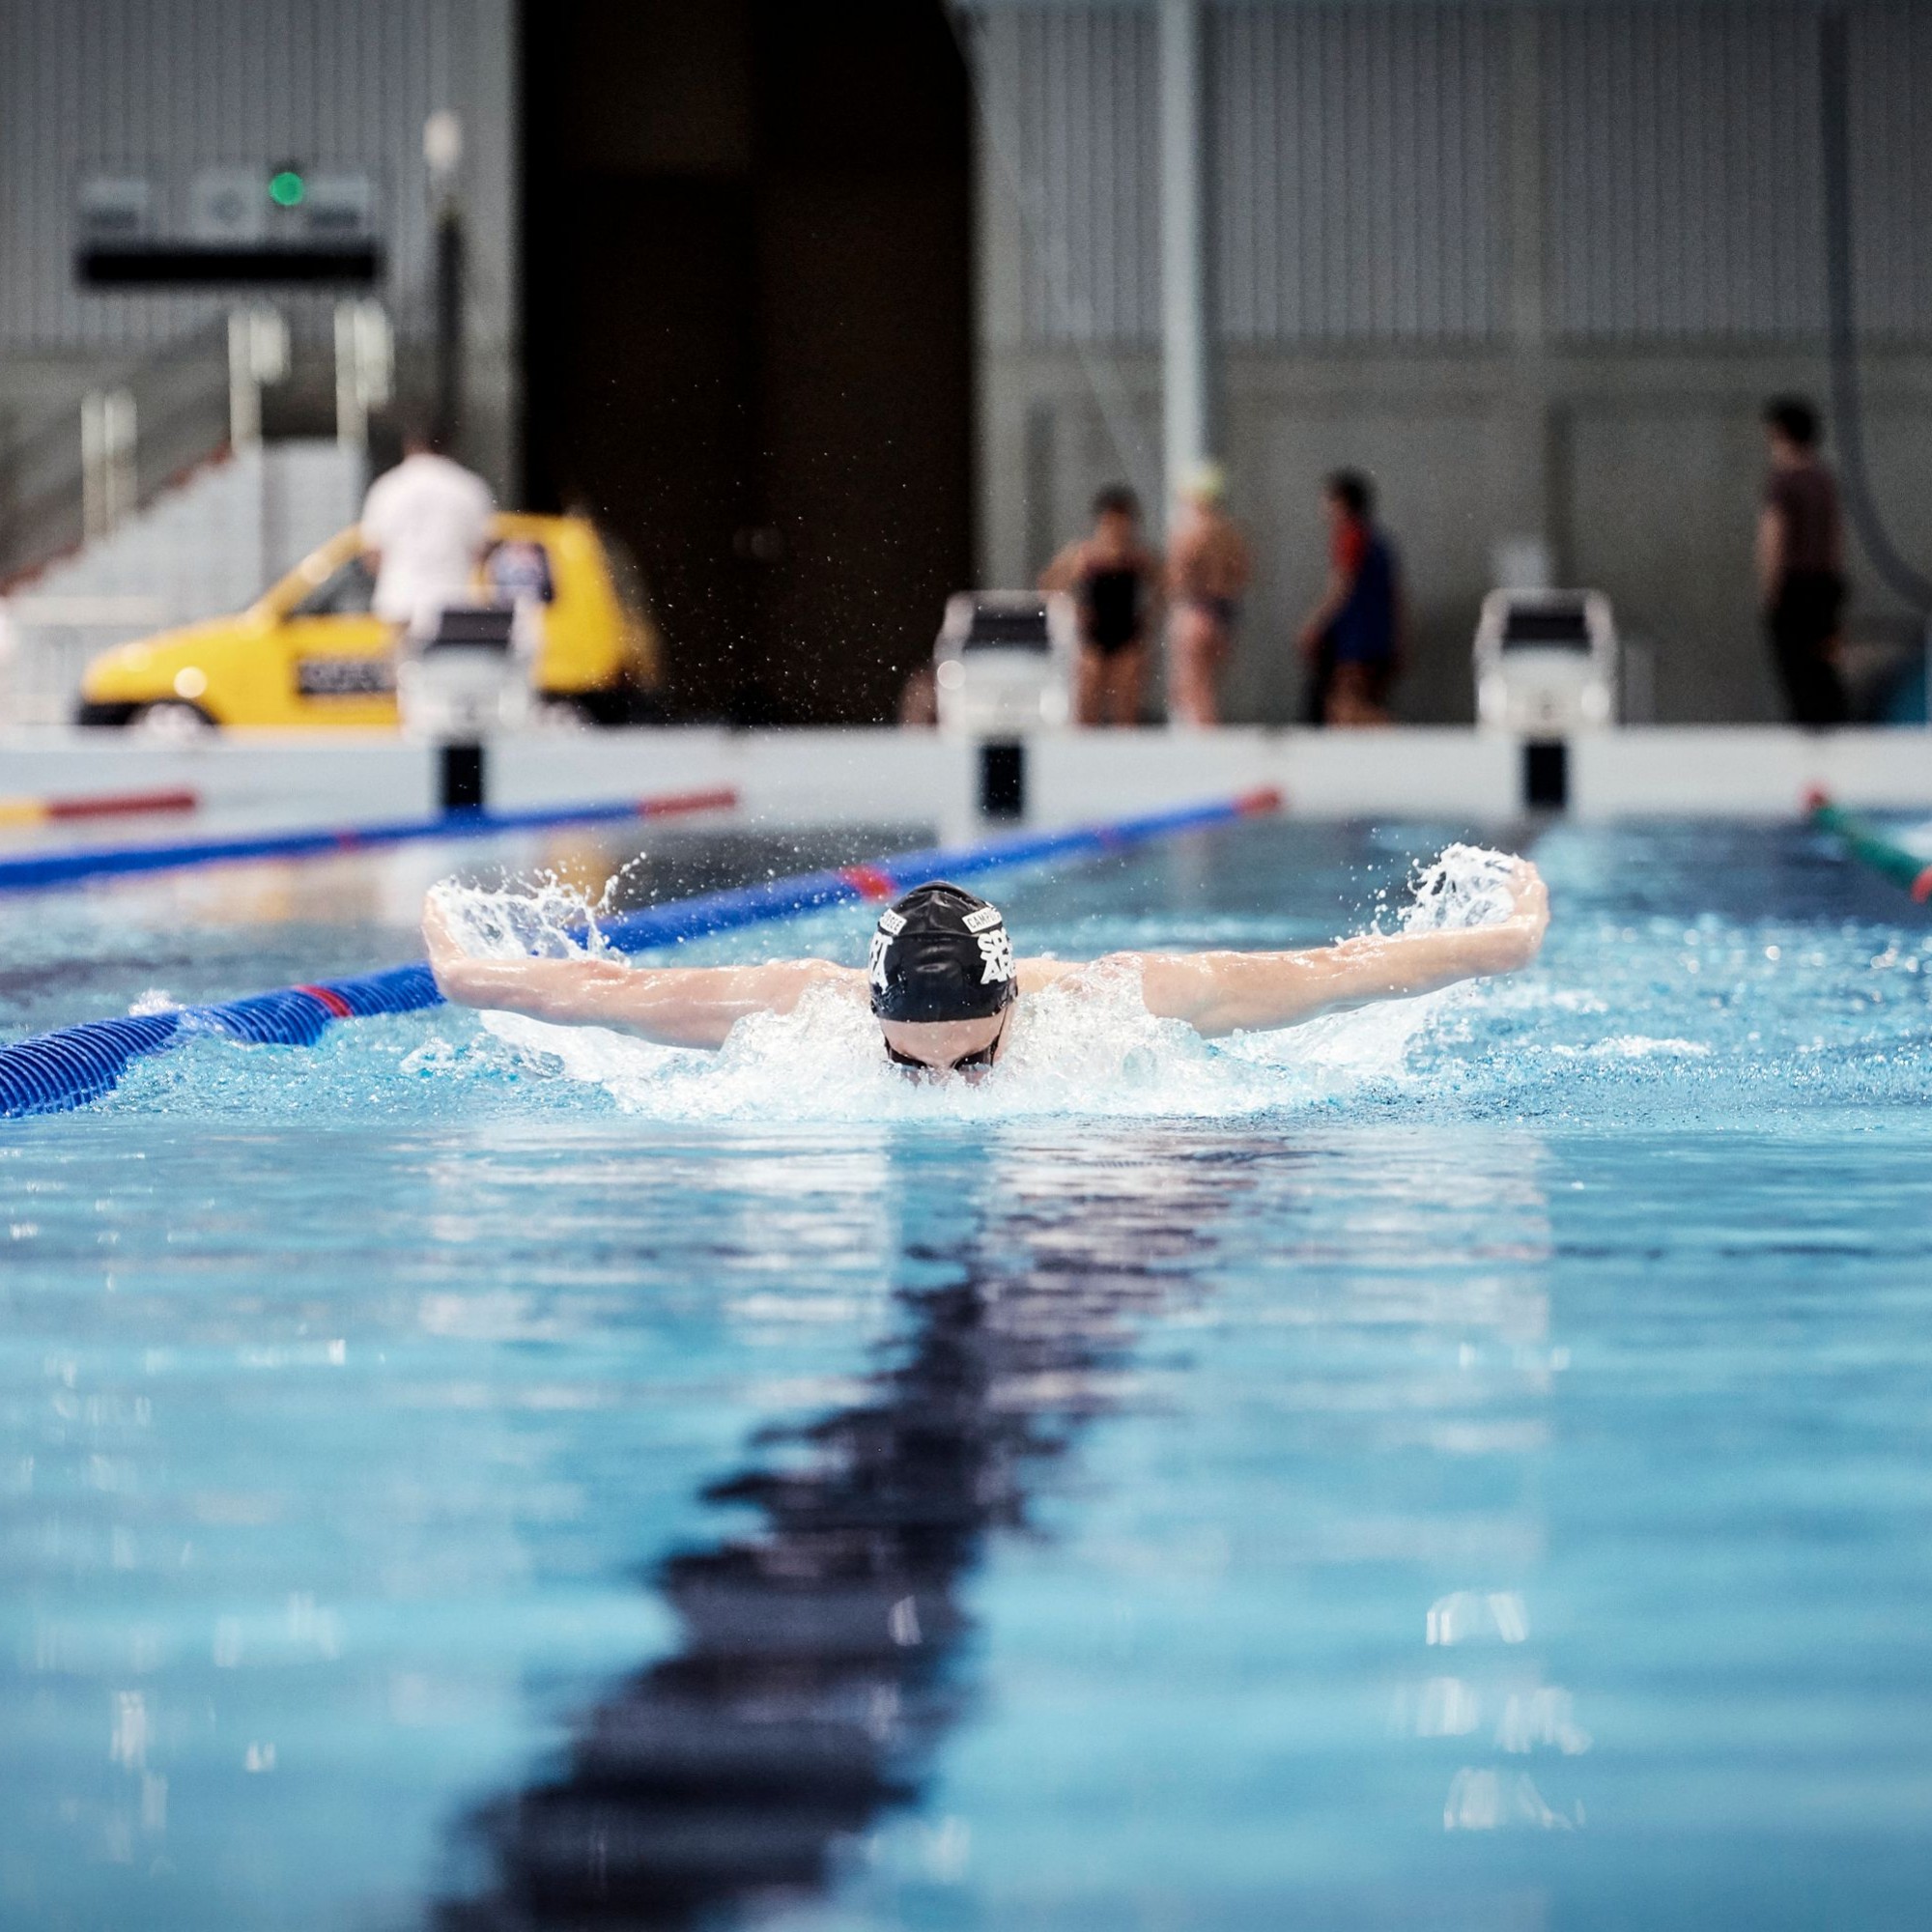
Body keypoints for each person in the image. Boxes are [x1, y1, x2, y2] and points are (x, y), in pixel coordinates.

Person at [421, 862, 1548, 1080]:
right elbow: (598, 996)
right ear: (869, 1010)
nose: (946, 1089)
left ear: (1010, 1001)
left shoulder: (1111, 1002)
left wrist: (1497, 944)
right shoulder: (791, 1012)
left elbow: (1322, 972)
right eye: (910, 1067)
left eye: (973, 1063)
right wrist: (468, 967)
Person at [1758, 397, 1848, 727]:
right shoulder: (1824, 481)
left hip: (1794, 588)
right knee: (1825, 669)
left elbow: (1773, 539)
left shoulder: (1783, 482)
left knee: (1797, 673)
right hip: (1824, 587)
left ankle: (1808, 742)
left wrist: (1771, 590)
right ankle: (1835, 731)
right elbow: (1836, 536)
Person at [1039, 486, 1163, 726]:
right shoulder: (1084, 555)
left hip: (1128, 636)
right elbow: (1048, 585)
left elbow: (1165, 587)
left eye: (1123, 522)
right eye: (1112, 522)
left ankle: (1124, 758)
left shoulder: (1139, 557)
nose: (1118, 529)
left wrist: (1148, 618)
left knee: (1126, 711)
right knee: (1088, 708)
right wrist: (1072, 611)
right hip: (1092, 638)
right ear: (1102, 521)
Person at [359, 424, 496, 638]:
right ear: (451, 447)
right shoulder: (469, 488)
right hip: (453, 600)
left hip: (400, 600)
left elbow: (372, 555)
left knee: (402, 667)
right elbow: (482, 551)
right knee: (448, 668)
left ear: (410, 445)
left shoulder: (388, 487)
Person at [1296, 470, 1402, 727]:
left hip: (1357, 639)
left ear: (1341, 503)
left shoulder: (1352, 536)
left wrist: (1314, 624)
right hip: (1376, 636)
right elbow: (1396, 595)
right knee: (1348, 705)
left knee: (1348, 705)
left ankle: (1403, 747)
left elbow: (1341, 587)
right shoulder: (1378, 540)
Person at [1165, 463, 1252, 726]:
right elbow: (1244, 573)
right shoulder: (1231, 533)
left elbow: (1177, 577)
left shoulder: (1189, 531)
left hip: (1197, 610)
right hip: (1225, 612)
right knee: (1206, 685)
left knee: (1195, 689)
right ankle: (1205, 741)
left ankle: (1206, 749)